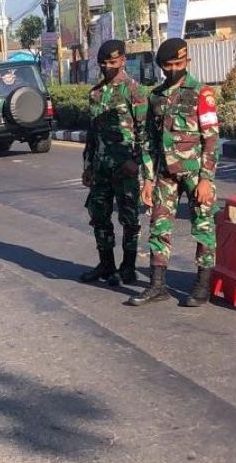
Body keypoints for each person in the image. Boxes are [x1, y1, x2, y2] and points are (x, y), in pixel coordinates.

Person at [127, 38, 219, 309]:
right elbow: (149, 142)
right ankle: (157, 285)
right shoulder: (155, 96)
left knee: (203, 227)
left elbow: (211, 138)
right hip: (165, 174)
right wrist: (148, 179)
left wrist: (206, 179)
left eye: (179, 64)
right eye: (168, 65)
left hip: (194, 172)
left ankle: (202, 285)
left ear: (187, 62)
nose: (174, 69)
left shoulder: (202, 93)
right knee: (158, 227)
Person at [79, 40, 148, 286]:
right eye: (103, 63)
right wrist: (88, 165)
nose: (107, 67)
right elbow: (92, 133)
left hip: (125, 168)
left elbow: (144, 131)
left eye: (112, 62)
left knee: (129, 218)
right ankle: (106, 263)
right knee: (98, 215)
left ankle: (128, 267)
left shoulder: (134, 91)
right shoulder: (95, 93)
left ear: (122, 61)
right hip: (100, 168)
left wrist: (136, 161)